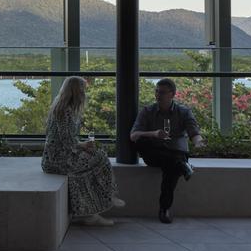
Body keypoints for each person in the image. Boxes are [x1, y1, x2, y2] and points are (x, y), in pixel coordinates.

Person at [41, 76, 125, 226]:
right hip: (58, 160)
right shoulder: (64, 111)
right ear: (76, 91)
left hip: (55, 157)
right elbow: (68, 142)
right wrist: (84, 145)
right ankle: (109, 196)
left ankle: (91, 212)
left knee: (88, 169)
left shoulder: (61, 106)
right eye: (82, 89)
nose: (84, 92)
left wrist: (82, 146)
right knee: (100, 156)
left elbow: (66, 140)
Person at [130, 78, 206, 224]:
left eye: (162, 92)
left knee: (171, 168)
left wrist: (199, 143)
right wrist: (154, 134)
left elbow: (193, 132)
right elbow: (133, 135)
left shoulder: (183, 112)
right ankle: (182, 165)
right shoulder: (147, 111)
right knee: (142, 141)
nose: (158, 95)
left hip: (176, 151)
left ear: (172, 94)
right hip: (155, 153)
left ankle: (164, 209)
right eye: (157, 91)